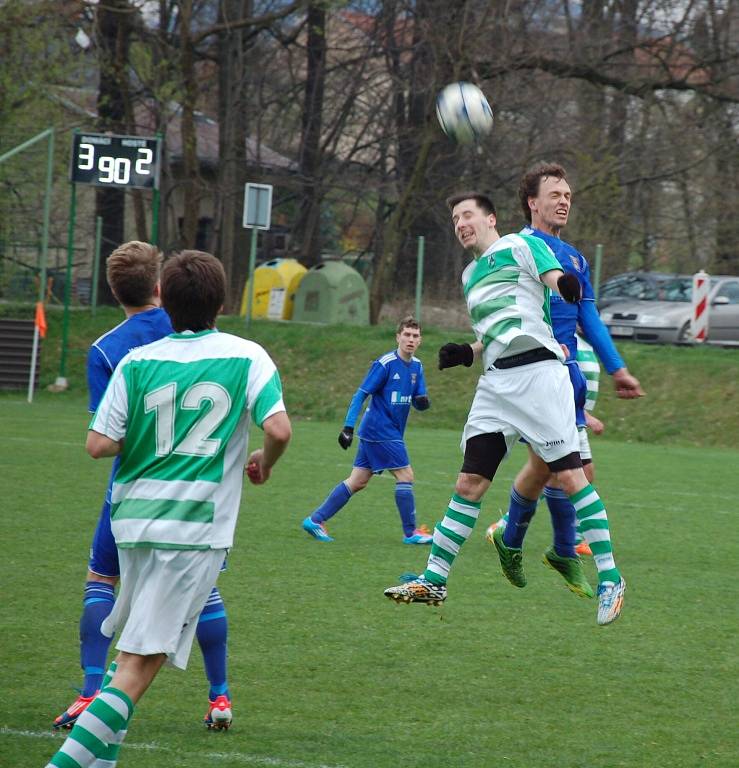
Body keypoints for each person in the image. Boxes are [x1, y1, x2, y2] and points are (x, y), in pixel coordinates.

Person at [44, 250, 291, 768]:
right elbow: (278, 429)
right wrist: (263, 464)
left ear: (166, 300)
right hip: (193, 531)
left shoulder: (137, 360)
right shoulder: (247, 355)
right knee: (136, 670)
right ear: (221, 302)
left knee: (128, 661)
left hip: (131, 524)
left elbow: (97, 444)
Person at [384, 191, 625, 626]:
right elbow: (499, 326)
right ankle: (434, 578)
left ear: (490, 218)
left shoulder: (519, 244)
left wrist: (566, 286)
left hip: (539, 375)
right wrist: (469, 351)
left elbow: (553, 280)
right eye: (455, 218)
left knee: (570, 475)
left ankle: (610, 577)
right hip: (496, 384)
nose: (460, 223)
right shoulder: (470, 274)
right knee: (470, 481)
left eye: (468, 214)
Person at [53, 242, 236, 732]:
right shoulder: (199, 328)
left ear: (115, 292)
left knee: (101, 580)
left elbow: (102, 439)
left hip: (131, 492)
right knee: (203, 590)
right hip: (197, 491)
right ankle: (219, 696)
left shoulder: (109, 349)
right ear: (159, 286)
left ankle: (91, 693)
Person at [482, 163, 643, 622]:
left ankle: (513, 540)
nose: (564, 200)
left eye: (568, 193)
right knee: (574, 470)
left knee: (546, 466)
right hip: (526, 377)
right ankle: (594, 569)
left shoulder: (574, 258)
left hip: (562, 379)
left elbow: (588, 318)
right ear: (532, 201)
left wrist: (618, 368)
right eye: (555, 193)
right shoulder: (515, 250)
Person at [302, 316, 432, 544]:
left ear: (420, 340)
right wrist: (348, 427)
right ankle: (411, 533)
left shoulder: (418, 367)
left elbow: (419, 399)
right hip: (380, 430)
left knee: (358, 480)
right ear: (398, 337)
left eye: (415, 336)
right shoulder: (385, 364)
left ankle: (315, 520)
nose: (411, 340)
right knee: (405, 475)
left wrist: (422, 402)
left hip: (385, 432)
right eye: (407, 335)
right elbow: (361, 394)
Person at [485, 334, 604, 555]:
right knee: (555, 474)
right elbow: (559, 379)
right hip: (562, 417)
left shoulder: (584, 342)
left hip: (574, 418)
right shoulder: (558, 336)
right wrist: (584, 415)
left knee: (574, 474)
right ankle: (506, 526)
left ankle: (573, 538)